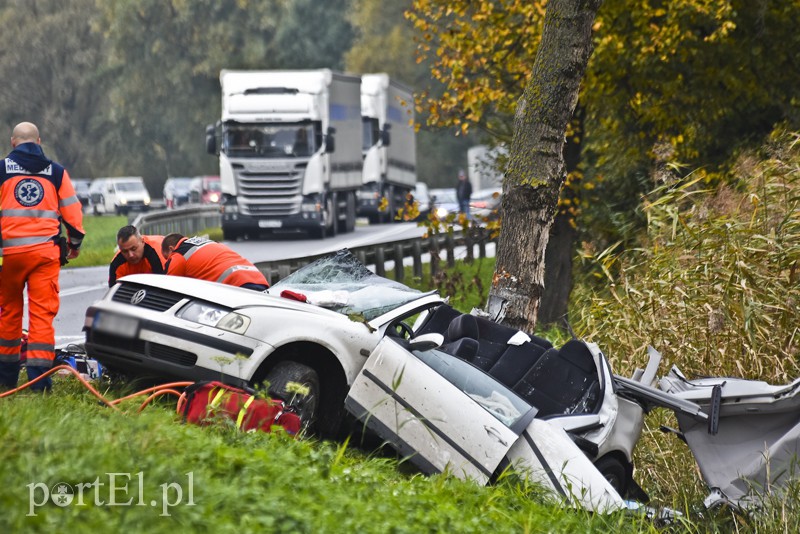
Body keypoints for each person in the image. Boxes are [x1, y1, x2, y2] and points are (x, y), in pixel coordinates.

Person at [0, 122, 84, 391]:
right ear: (39, 141)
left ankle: (5, 380)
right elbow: (73, 213)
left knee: (8, 314)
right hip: (44, 256)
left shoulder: (1, 170)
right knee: (41, 317)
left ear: (13, 142)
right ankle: (39, 383)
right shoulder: (56, 172)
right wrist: (74, 244)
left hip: (8, 257)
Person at [161, 233, 269, 291]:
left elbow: (170, 288)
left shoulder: (179, 254)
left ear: (171, 249)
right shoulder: (209, 242)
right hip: (259, 281)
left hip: (236, 286)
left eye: (167, 257)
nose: (168, 260)